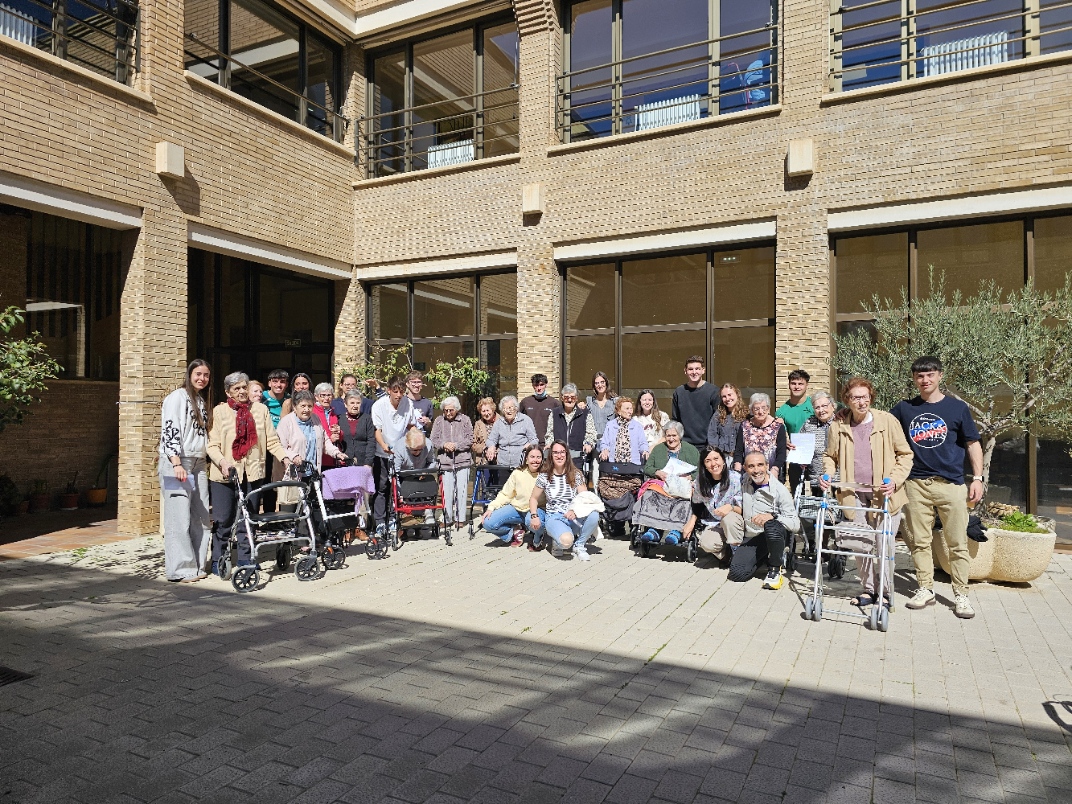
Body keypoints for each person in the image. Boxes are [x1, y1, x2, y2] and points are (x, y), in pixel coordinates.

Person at [891, 356, 984, 620]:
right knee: (920, 542)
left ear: (940, 376)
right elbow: (881, 426)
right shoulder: (904, 409)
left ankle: (961, 595)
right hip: (915, 485)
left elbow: (972, 443)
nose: (925, 380)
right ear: (914, 379)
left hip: (951, 485)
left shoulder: (957, 408)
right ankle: (925, 589)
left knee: (956, 542)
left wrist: (977, 478)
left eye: (930, 375)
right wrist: (842, 412)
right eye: (920, 376)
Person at [821, 378, 914, 609]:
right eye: (855, 397)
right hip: (853, 494)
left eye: (865, 397)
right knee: (861, 543)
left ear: (871, 397)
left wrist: (893, 480)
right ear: (847, 400)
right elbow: (829, 457)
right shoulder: (839, 425)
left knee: (884, 544)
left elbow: (905, 454)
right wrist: (827, 475)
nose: (861, 402)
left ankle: (884, 592)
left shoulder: (887, 420)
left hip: (884, 496)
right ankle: (868, 589)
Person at [206, 372, 290, 573]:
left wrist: (284, 458)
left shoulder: (260, 410)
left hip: (252, 473)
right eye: (237, 388)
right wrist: (223, 462)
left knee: (249, 518)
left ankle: (246, 557)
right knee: (223, 519)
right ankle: (219, 558)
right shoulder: (220, 412)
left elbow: (271, 440)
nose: (242, 391)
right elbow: (212, 445)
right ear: (228, 392)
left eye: (244, 387)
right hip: (225, 475)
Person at [159, 359, 213, 583]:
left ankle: (197, 564)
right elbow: (170, 430)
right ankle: (179, 569)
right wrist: (176, 463)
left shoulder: (200, 400)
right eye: (198, 374)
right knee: (178, 518)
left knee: (201, 516)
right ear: (189, 374)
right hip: (178, 462)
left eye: (206, 375)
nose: (202, 378)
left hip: (198, 462)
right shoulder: (177, 398)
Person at [728, 451, 799, 589]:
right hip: (753, 535)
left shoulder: (780, 490)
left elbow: (796, 524)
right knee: (737, 574)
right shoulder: (744, 483)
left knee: (771, 526)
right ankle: (764, 558)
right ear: (745, 468)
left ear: (767, 466)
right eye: (751, 466)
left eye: (760, 465)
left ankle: (774, 568)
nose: (756, 470)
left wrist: (774, 516)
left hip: (775, 533)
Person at [276, 390, 347, 511]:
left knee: (309, 512)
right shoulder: (286, 422)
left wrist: (337, 453)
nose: (306, 409)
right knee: (291, 511)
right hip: (294, 473)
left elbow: (325, 442)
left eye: (309, 406)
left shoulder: (315, 419)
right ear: (295, 407)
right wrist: (293, 456)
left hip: (312, 473)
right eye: (303, 406)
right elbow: (280, 446)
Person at [529, 441, 599, 561]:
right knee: (566, 541)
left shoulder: (576, 474)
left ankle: (579, 545)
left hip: (572, 516)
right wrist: (534, 515)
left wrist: (575, 510)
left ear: (567, 454)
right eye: (555, 453)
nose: (559, 456)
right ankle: (559, 540)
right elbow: (533, 499)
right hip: (554, 517)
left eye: (562, 452)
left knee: (594, 515)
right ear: (551, 455)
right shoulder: (544, 476)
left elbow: (585, 498)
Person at [640, 421, 700, 545]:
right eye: (668, 435)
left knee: (685, 500)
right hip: (662, 485)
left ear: (680, 436)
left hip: (682, 487)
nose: (671, 439)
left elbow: (700, 470)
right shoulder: (658, 449)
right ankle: (654, 529)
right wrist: (657, 472)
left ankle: (676, 531)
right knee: (650, 495)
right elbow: (647, 468)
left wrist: (690, 476)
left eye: (674, 435)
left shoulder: (691, 450)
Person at [370, 376, 417, 534]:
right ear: (388, 390)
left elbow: (410, 425)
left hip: (400, 453)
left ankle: (392, 519)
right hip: (382, 452)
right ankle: (379, 522)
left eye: (401, 392)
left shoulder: (408, 403)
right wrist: (384, 446)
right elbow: (377, 430)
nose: (398, 395)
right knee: (382, 488)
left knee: (396, 488)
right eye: (395, 391)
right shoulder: (379, 405)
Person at [683, 447, 744, 566]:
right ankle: (727, 556)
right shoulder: (700, 482)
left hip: (736, 522)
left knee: (729, 519)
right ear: (704, 465)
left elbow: (745, 510)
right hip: (716, 523)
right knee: (706, 543)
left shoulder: (736, 479)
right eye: (708, 460)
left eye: (716, 459)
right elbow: (697, 504)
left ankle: (739, 556)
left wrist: (731, 508)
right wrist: (691, 522)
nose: (713, 464)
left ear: (724, 461)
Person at [796, 391, 839, 559]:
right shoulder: (809, 423)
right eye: (817, 407)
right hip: (817, 478)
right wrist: (799, 454)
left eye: (824, 406)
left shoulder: (841, 422)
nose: (821, 410)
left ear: (832, 406)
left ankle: (838, 548)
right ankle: (820, 548)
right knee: (819, 514)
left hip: (839, 479)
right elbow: (801, 446)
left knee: (838, 514)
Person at [481, 445, 546, 548]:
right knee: (488, 522)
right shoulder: (518, 473)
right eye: (532, 457)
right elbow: (505, 494)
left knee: (532, 521)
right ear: (526, 459)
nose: (535, 460)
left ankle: (538, 536)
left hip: (537, 510)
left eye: (538, 457)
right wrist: (491, 507)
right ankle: (515, 531)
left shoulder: (546, 474)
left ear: (542, 459)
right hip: (517, 509)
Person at [431, 396, 473, 531]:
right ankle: (447, 518)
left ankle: (460, 519)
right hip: (445, 461)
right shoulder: (439, 421)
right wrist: (444, 445)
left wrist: (456, 445)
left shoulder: (465, 419)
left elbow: (470, 439)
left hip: (463, 460)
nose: (448, 413)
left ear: (457, 409)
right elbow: (433, 439)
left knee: (461, 490)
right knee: (447, 491)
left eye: (451, 410)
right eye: (445, 410)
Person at [597, 396, 649, 501]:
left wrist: (645, 451)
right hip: (614, 466)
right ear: (619, 411)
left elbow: (643, 443)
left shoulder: (637, 426)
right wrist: (605, 450)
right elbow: (604, 442)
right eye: (627, 408)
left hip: (632, 466)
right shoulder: (610, 425)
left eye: (631, 408)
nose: (630, 411)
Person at [733, 393, 787, 480]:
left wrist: (775, 469)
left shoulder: (778, 426)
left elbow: (782, 453)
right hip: (749, 474)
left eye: (764, 408)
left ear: (769, 409)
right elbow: (739, 450)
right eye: (756, 408)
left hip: (771, 474)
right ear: (751, 410)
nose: (760, 412)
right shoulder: (744, 426)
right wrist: (737, 469)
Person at [777, 369, 814, 491]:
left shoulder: (814, 406)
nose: (797, 387)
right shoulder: (782, 411)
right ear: (789, 385)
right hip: (796, 455)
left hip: (816, 455)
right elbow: (780, 435)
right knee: (797, 493)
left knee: (818, 494)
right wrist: (785, 441)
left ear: (806, 385)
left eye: (800, 383)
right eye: (794, 383)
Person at [672, 355, 720, 450]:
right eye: (691, 369)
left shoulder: (713, 391)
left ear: (703, 370)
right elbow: (675, 420)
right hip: (685, 446)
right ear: (685, 371)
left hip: (708, 445)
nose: (694, 372)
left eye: (697, 369)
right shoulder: (679, 392)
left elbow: (719, 420)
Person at [545, 383, 596, 469]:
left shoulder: (585, 413)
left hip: (577, 459)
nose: (569, 400)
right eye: (566, 397)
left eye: (572, 397)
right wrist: (549, 443)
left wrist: (588, 443)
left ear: (576, 398)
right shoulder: (554, 413)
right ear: (562, 398)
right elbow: (549, 433)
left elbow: (591, 433)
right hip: (558, 459)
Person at [262, 368, 290, 511]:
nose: (278, 385)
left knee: (282, 480)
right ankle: (268, 515)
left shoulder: (289, 400)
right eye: (275, 381)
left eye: (282, 382)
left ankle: (284, 516)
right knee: (267, 481)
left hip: (282, 445)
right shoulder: (261, 397)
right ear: (269, 383)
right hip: (264, 445)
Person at [486, 396, 538, 470]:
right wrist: (491, 446)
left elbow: (534, 439)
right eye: (505, 408)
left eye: (510, 407)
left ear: (516, 408)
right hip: (503, 465)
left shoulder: (525, 420)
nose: (508, 411)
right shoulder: (499, 423)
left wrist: (529, 445)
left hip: (521, 464)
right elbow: (491, 439)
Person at [707, 383, 748, 468]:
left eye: (730, 395)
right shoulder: (718, 415)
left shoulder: (747, 415)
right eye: (724, 396)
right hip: (723, 457)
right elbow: (712, 435)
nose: (727, 399)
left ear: (737, 394)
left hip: (742, 459)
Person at [337, 389, 375, 468]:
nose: (355, 406)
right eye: (352, 403)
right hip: (344, 462)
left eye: (358, 403)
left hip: (363, 463)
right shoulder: (339, 419)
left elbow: (371, 441)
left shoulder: (367, 419)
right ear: (345, 404)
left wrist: (368, 462)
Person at [520, 373, 561, 442]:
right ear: (533, 386)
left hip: (547, 443)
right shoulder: (525, 402)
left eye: (541, 385)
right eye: (536, 385)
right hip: (529, 443)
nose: (539, 388)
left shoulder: (554, 403)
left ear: (546, 385)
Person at [313, 382, 342, 469]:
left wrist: (339, 433)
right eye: (323, 395)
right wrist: (330, 438)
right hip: (318, 457)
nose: (326, 398)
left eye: (329, 395)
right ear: (316, 397)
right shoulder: (312, 412)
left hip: (331, 457)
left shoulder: (333, 414)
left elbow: (339, 436)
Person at [472, 397, 498, 468]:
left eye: (488, 410)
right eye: (483, 411)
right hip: (483, 461)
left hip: (499, 461)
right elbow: (473, 444)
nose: (486, 413)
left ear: (492, 409)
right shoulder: (478, 424)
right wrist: (484, 449)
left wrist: (494, 451)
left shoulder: (502, 421)